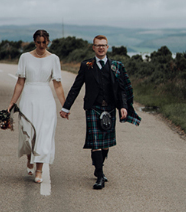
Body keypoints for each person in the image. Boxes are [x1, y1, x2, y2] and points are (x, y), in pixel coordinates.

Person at [60, 35, 141, 190]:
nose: (101, 48)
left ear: (107, 47)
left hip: (110, 108)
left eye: (103, 45)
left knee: (105, 145)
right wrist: (66, 107)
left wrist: (123, 106)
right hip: (93, 108)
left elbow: (123, 89)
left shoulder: (116, 66)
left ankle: (98, 165)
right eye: (98, 45)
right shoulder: (87, 65)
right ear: (93, 47)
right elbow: (76, 87)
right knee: (96, 143)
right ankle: (99, 176)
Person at [7, 30, 66, 184]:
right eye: (38, 42)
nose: (41, 45)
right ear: (34, 42)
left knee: (43, 133)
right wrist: (12, 102)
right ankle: (29, 157)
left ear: (48, 42)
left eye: (44, 42)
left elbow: (58, 85)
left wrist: (65, 106)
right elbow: (20, 82)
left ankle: (39, 169)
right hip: (28, 97)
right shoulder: (25, 57)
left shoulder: (54, 59)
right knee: (27, 133)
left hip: (45, 99)